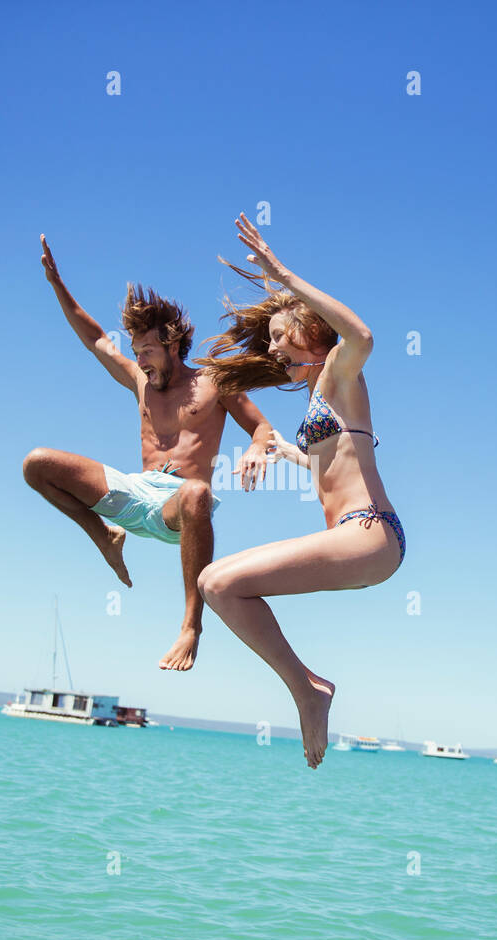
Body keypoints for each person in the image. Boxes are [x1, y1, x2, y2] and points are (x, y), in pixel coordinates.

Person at [196, 215, 404, 769]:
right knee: (219, 586)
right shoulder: (319, 394)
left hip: (370, 532)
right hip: (355, 539)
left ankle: (308, 692)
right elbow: (327, 464)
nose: (272, 350)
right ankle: (307, 690)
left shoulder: (340, 368)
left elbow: (363, 334)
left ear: (307, 331)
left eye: (278, 337)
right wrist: (272, 450)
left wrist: (281, 273)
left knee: (216, 582)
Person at [23, 234, 275, 671]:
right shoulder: (140, 380)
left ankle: (191, 626)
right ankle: (105, 536)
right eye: (137, 351)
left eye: (148, 351)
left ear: (174, 346)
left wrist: (256, 448)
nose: (140, 361)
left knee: (197, 492)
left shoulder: (214, 382)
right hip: (134, 491)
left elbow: (263, 427)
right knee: (37, 464)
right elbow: (95, 338)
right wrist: (56, 283)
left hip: (177, 509)